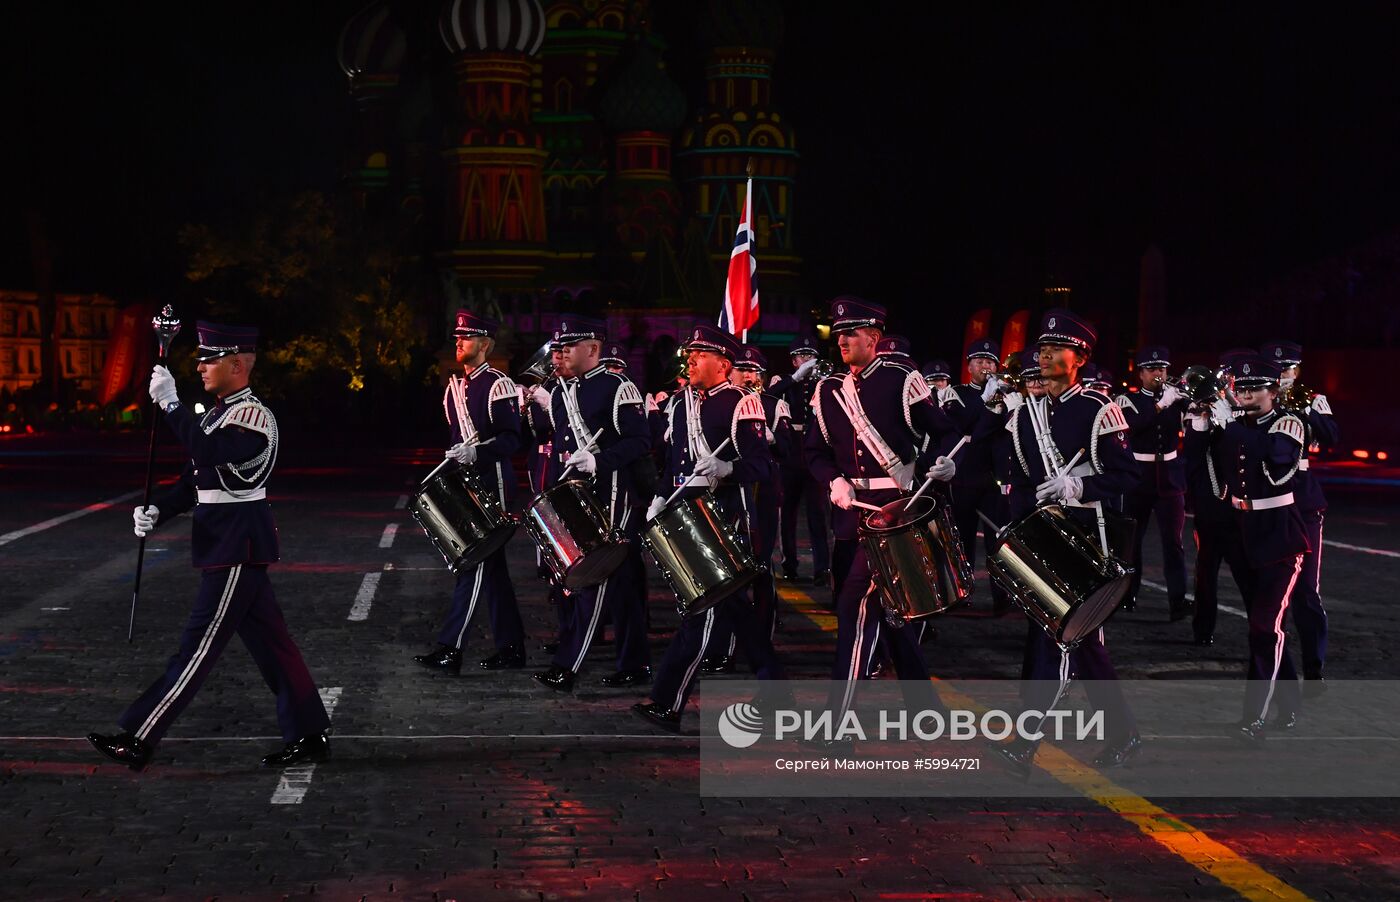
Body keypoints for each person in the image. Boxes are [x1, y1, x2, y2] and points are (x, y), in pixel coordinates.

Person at [88, 322, 331, 771]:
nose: (200, 366)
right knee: (274, 647)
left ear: (238, 365)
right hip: (232, 547)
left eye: (210, 359)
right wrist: (158, 511)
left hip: (235, 549)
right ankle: (309, 732)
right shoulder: (218, 415)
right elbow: (194, 480)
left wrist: (170, 403)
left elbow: (207, 453)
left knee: (195, 651)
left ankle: (139, 737)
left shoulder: (254, 416)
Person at [996, 308, 1142, 775]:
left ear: (1079, 358)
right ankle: (1123, 732)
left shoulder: (1099, 409)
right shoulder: (1026, 415)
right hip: (1042, 537)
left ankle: (1025, 741)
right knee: (1079, 641)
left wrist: (1079, 487)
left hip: (1085, 537)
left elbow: (1127, 476)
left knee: (1063, 637)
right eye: (1041, 348)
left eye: (1056, 348)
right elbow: (1019, 480)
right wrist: (1015, 525)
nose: (1045, 355)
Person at [805, 297, 958, 727]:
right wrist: (832, 479)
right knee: (892, 614)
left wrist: (945, 463)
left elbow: (943, 433)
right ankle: (927, 710)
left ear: (873, 338)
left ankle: (838, 723)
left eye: (851, 334)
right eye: (838, 334)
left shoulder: (899, 378)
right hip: (852, 512)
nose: (842, 341)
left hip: (895, 512)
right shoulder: (828, 388)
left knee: (854, 606)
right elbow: (815, 452)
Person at [633, 326, 784, 731]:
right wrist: (659, 499)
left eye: (701, 354)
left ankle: (667, 700)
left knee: (701, 609)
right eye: (691, 353)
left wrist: (728, 467)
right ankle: (773, 686)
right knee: (735, 610)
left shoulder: (741, 403)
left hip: (724, 515)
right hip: (686, 511)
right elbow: (676, 462)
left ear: (723, 364)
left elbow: (763, 465)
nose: (692, 360)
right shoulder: (681, 404)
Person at [1184, 353, 1308, 742]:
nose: (1246, 394)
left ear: (1274, 391)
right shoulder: (1235, 426)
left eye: (1256, 388)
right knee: (1265, 627)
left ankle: (1254, 717)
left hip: (1279, 536)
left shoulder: (1288, 423)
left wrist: (1229, 423)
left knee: (1263, 626)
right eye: (1243, 388)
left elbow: (1273, 465)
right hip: (1242, 533)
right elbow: (1197, 466)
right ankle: (1288, 704)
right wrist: (1202, 423)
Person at [532, 315, 653, 692]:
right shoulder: (563, 389)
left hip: (611, 498)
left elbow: (639, 442)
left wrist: (599, 461)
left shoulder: (617, 386)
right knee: (625, 586)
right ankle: (635, 664)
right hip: (577, 497)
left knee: (593, 580)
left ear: (594, 349)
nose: (562, 353)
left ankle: (568, 667)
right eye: (560, 347)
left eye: (570, 347)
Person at [413, 310, 528, 674]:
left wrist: (476, 451)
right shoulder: (454, 389)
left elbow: (512, 439)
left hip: (492, 486)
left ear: (485, 345)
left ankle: (451, 647)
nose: (458, 343)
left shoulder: (498, 384)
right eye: (457, 338)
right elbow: (456, 439)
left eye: (466, 338)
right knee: (492, 571)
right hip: (468, 486)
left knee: (472, 564)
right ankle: (512, 648)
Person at [699, 343, 793, 673]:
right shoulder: (722, 403)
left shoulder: (775, 404)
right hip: (729, 494)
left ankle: (762, 637)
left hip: (764, 495)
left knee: (761, 568)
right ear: (731, 371)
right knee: (726, 575)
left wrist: (771, 438)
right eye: (744, 369)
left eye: (756, 372)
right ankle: (722, 648)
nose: (750, 376)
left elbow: (788, 451)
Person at [1261, 340, 1337, 693]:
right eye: (1278, 370)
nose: (1285, 375)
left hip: (1303, 499)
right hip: (1268, 500)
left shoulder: (1312, 398)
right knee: (1268, 593)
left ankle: (1314, 666)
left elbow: (1332, 438)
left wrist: (1308, 411)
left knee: (1307, 591)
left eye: (1289, 369)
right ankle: (1274, 664)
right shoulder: (1256, 402)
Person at [1113, 346, 1190, 620]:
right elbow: (1130, 426)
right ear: (1141, 373)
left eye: (1163, 369)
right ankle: (1128, 595)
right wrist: (1160, 405)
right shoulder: (1127, 400)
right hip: (1138, 477)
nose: (1159, 374)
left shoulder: (1177, 398)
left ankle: (1178, 601)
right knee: (1132, 541)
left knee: (1174, 542)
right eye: (1153, 369)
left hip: (1169, 478)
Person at [940, 337, 1013, 614]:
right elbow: (960, 424)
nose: (986, 366)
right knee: (962, 538)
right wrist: (985, 402)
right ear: (969, 365)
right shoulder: (956, 393)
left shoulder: (1006, 395)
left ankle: (1002, 596)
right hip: (964, 476)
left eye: (991, 361)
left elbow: (1003, 430)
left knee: (999, 540)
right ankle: (962, 593)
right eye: (980, 361)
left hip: (994, 477)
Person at [1188, 348, 1253, 645]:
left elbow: (1250, 452)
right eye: (1226, 374)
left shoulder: (1251, 409)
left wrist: (1232, 422)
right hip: (1211, 508)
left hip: (1241, 508)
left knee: (1247, 573)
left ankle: (1263, 628)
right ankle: (1203, 630)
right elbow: (1192, 462)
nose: (1228, 381)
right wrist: (1199, 426)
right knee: (1205, 573)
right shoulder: (1211, 407)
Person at [770, 336, 830, 585]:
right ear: (794, 361)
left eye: (810, 357)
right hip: (791, 454)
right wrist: (794, 379)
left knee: (818, 513)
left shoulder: (822, 383)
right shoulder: (785, 382)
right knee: (789, 513)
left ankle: (822, 568)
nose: (807, 361)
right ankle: (790, 564)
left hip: (815, 453)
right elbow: (769, 397)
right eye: (802, 357)